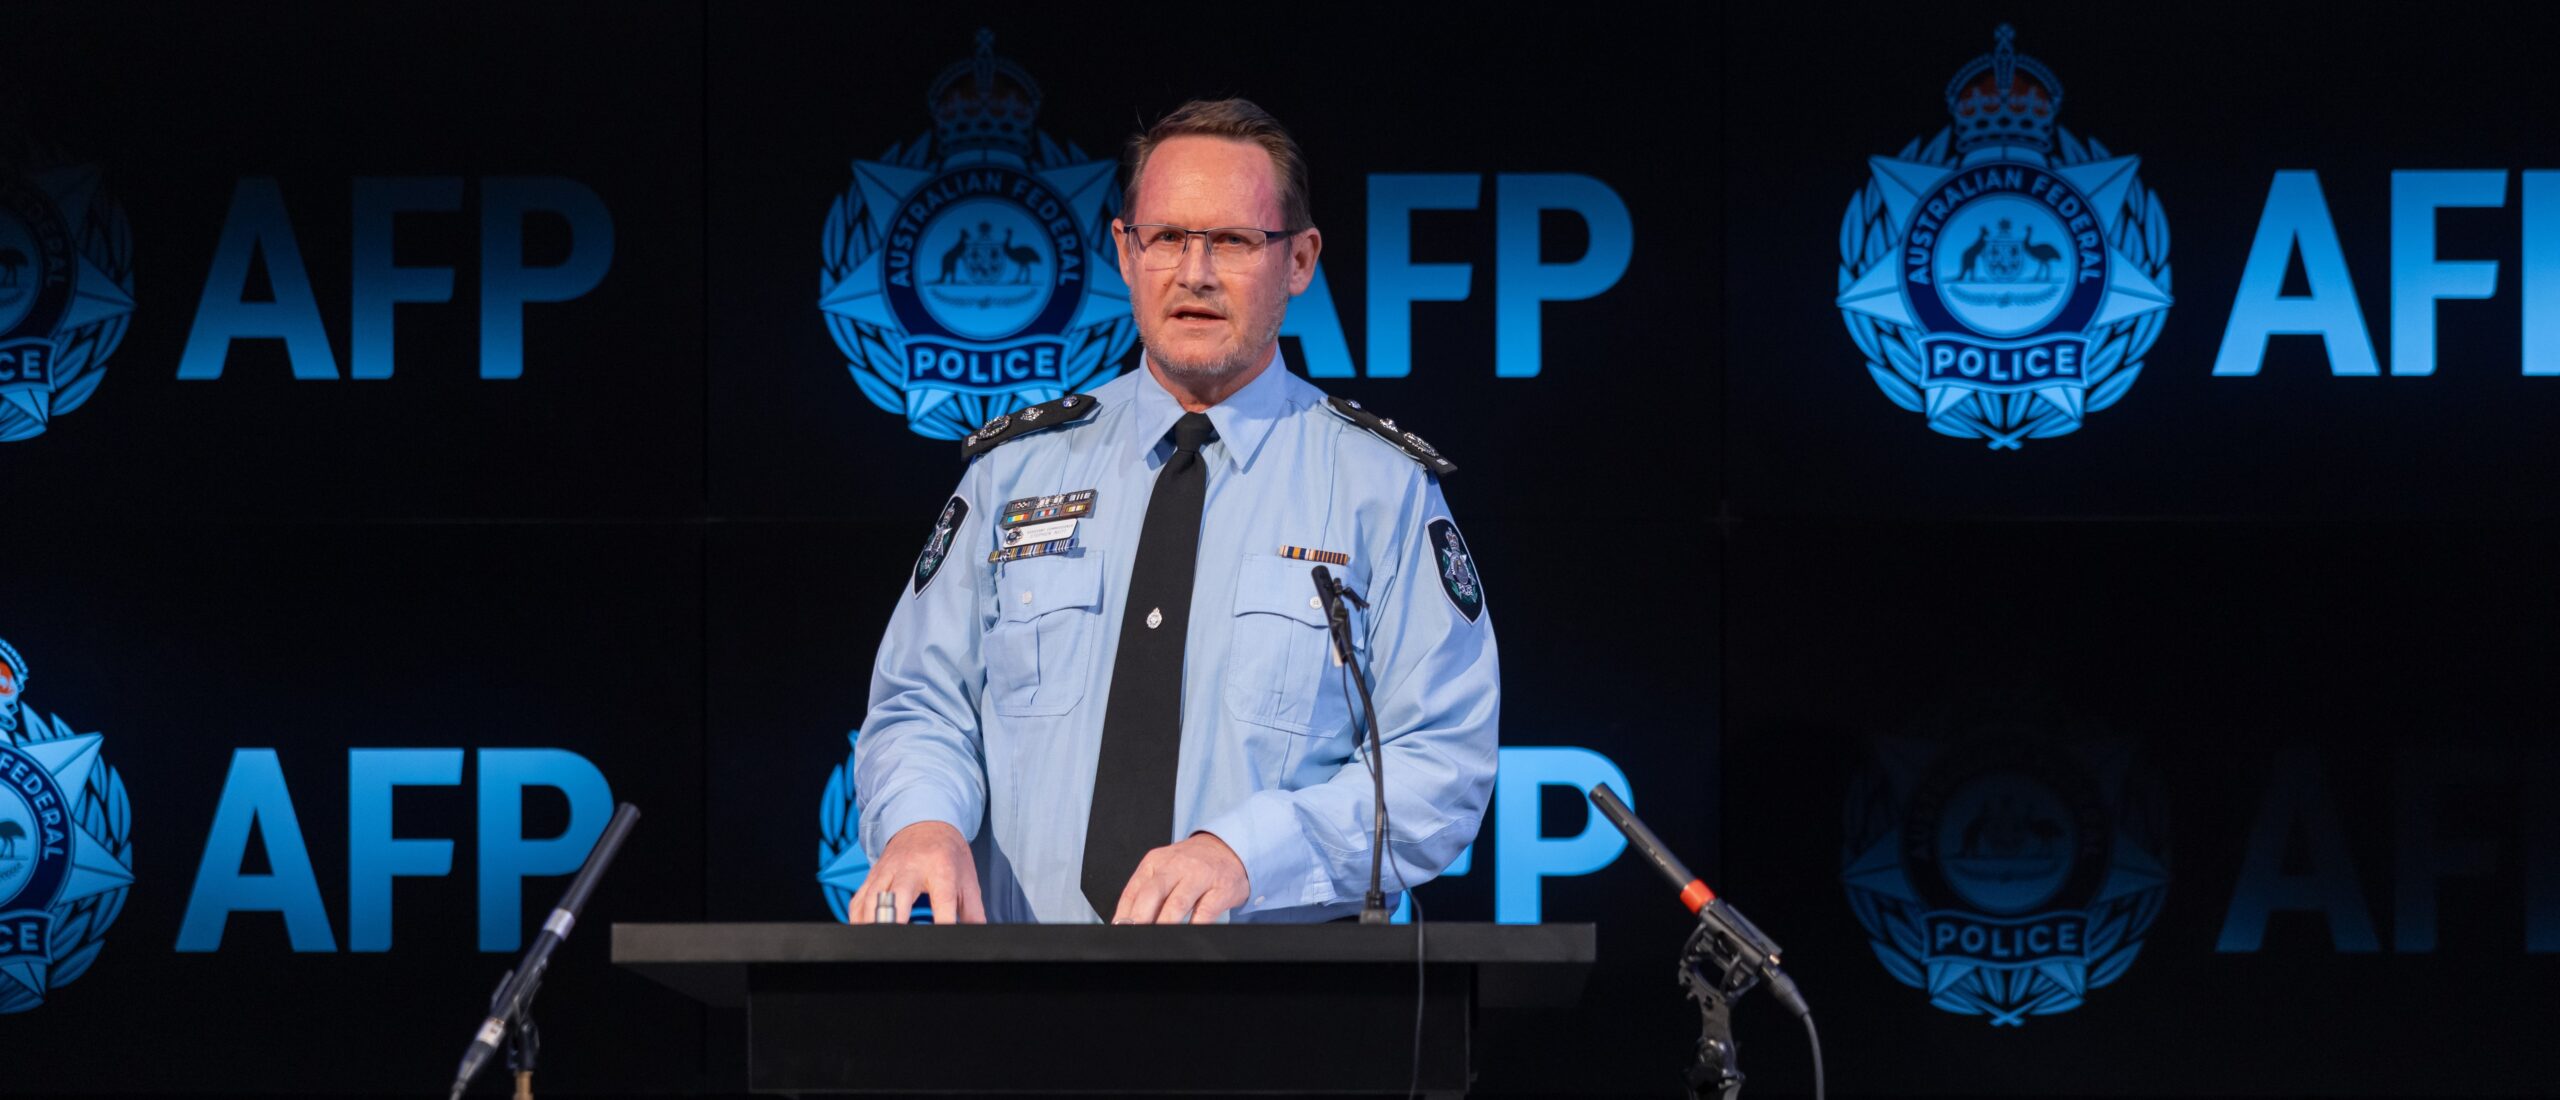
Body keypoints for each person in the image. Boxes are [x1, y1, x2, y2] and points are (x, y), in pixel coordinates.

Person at [849, 99, 1496, 925]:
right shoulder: (1011, 474)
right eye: (1167, 239)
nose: (1194, 272)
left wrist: (1248, 853)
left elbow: (1441, 759)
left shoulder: (1382, 490)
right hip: (1018, 1005)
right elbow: (921, 704)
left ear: (1299, 261)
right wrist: (922, 824)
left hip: (1277, 1014)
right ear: (1125, 253)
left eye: (1231, 241)